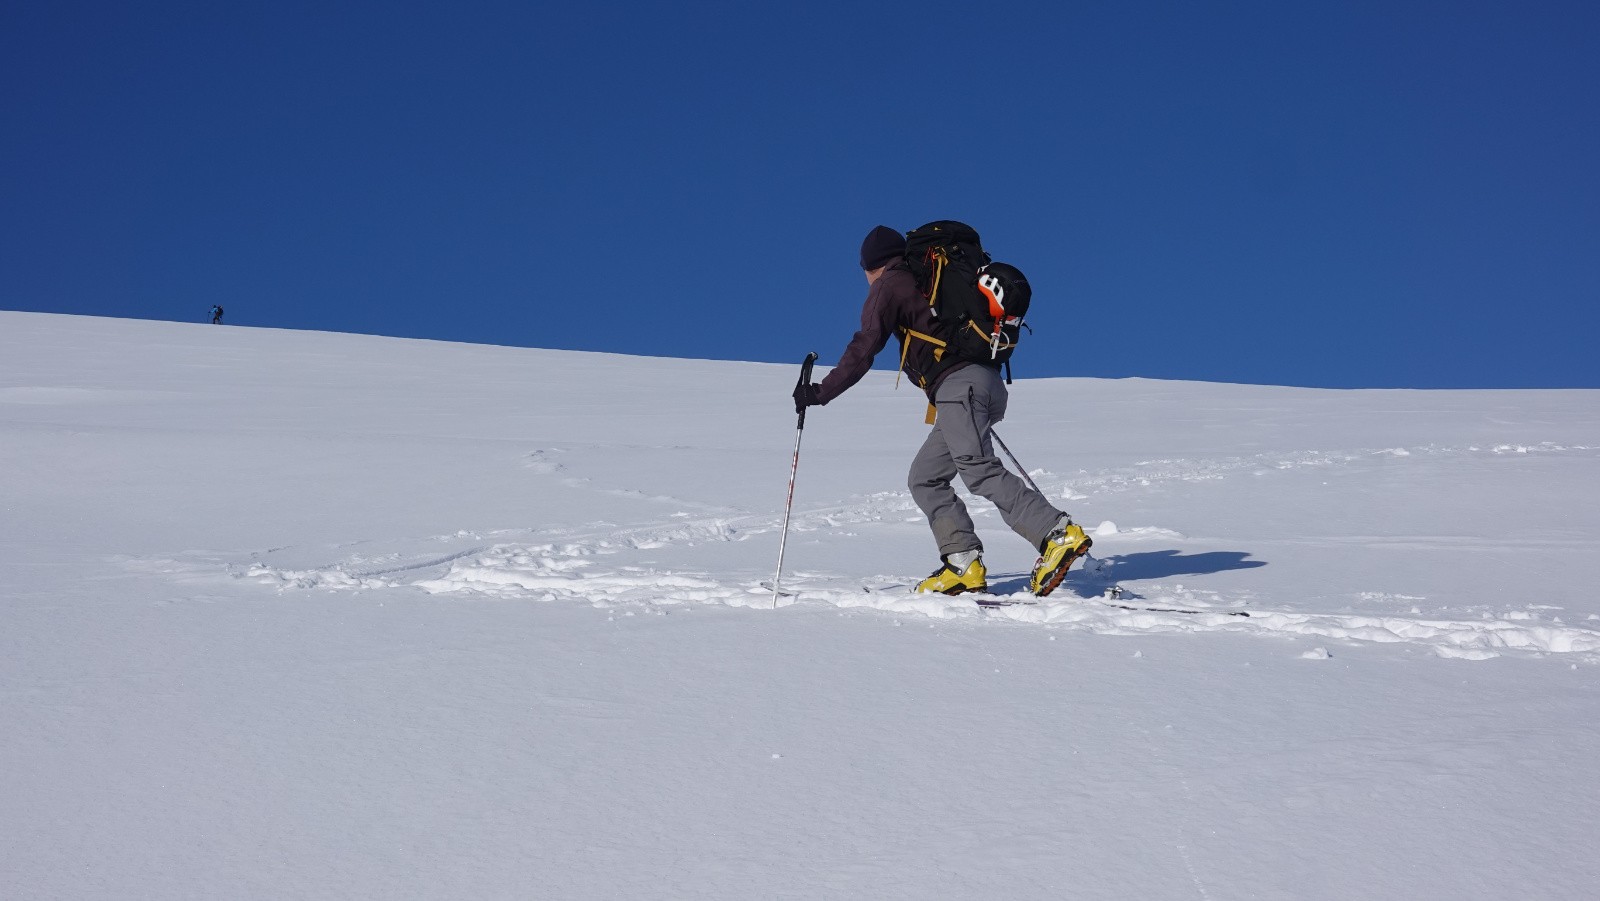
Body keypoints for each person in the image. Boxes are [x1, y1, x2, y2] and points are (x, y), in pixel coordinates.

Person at [793, 225, 1090, 598]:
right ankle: (962, 562)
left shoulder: (889, 285)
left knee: (978, 470)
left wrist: (820, 392)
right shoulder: (924, 278)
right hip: (981, 384)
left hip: (960, 387)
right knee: (925, 477)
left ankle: (1056, 533)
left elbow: (864, 346)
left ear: (871, 266)